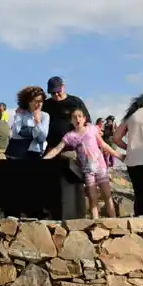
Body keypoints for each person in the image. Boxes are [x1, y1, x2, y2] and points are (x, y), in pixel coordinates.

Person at [45, 108, 120, 219]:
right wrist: (45, 159)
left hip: (100, 167)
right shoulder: (69, 136)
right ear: (71, 121)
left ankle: (113, 219)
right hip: (87, 170)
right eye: (74, 117)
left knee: (107, 194)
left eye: (80, 116)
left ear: (84, 119)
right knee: (92, 197)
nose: (77, 119)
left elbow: (103, 145)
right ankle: (95, 221)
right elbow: (57, 149)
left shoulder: (92, 129)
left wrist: (119, 156)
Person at [41, 76, 91, 220]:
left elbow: (86, 124)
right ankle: (51, 215)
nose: (56, 95)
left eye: (58, 91)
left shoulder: (75, 102)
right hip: (52, 148)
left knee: (73, 181)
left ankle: (76, 215)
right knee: (51, 181)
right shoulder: (47, 104)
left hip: (72, 148)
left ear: (63, 87)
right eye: (52, 93)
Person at [5, 87, 49, 160]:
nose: (39, 104)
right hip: (17, 153)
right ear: (29, 101)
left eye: (41, 101)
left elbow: (42, 138)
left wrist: (37, 122)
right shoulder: (21, 113)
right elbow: (16, 133)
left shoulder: (45, 116)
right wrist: (34, 132)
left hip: (35, 153)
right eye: (36, 101)